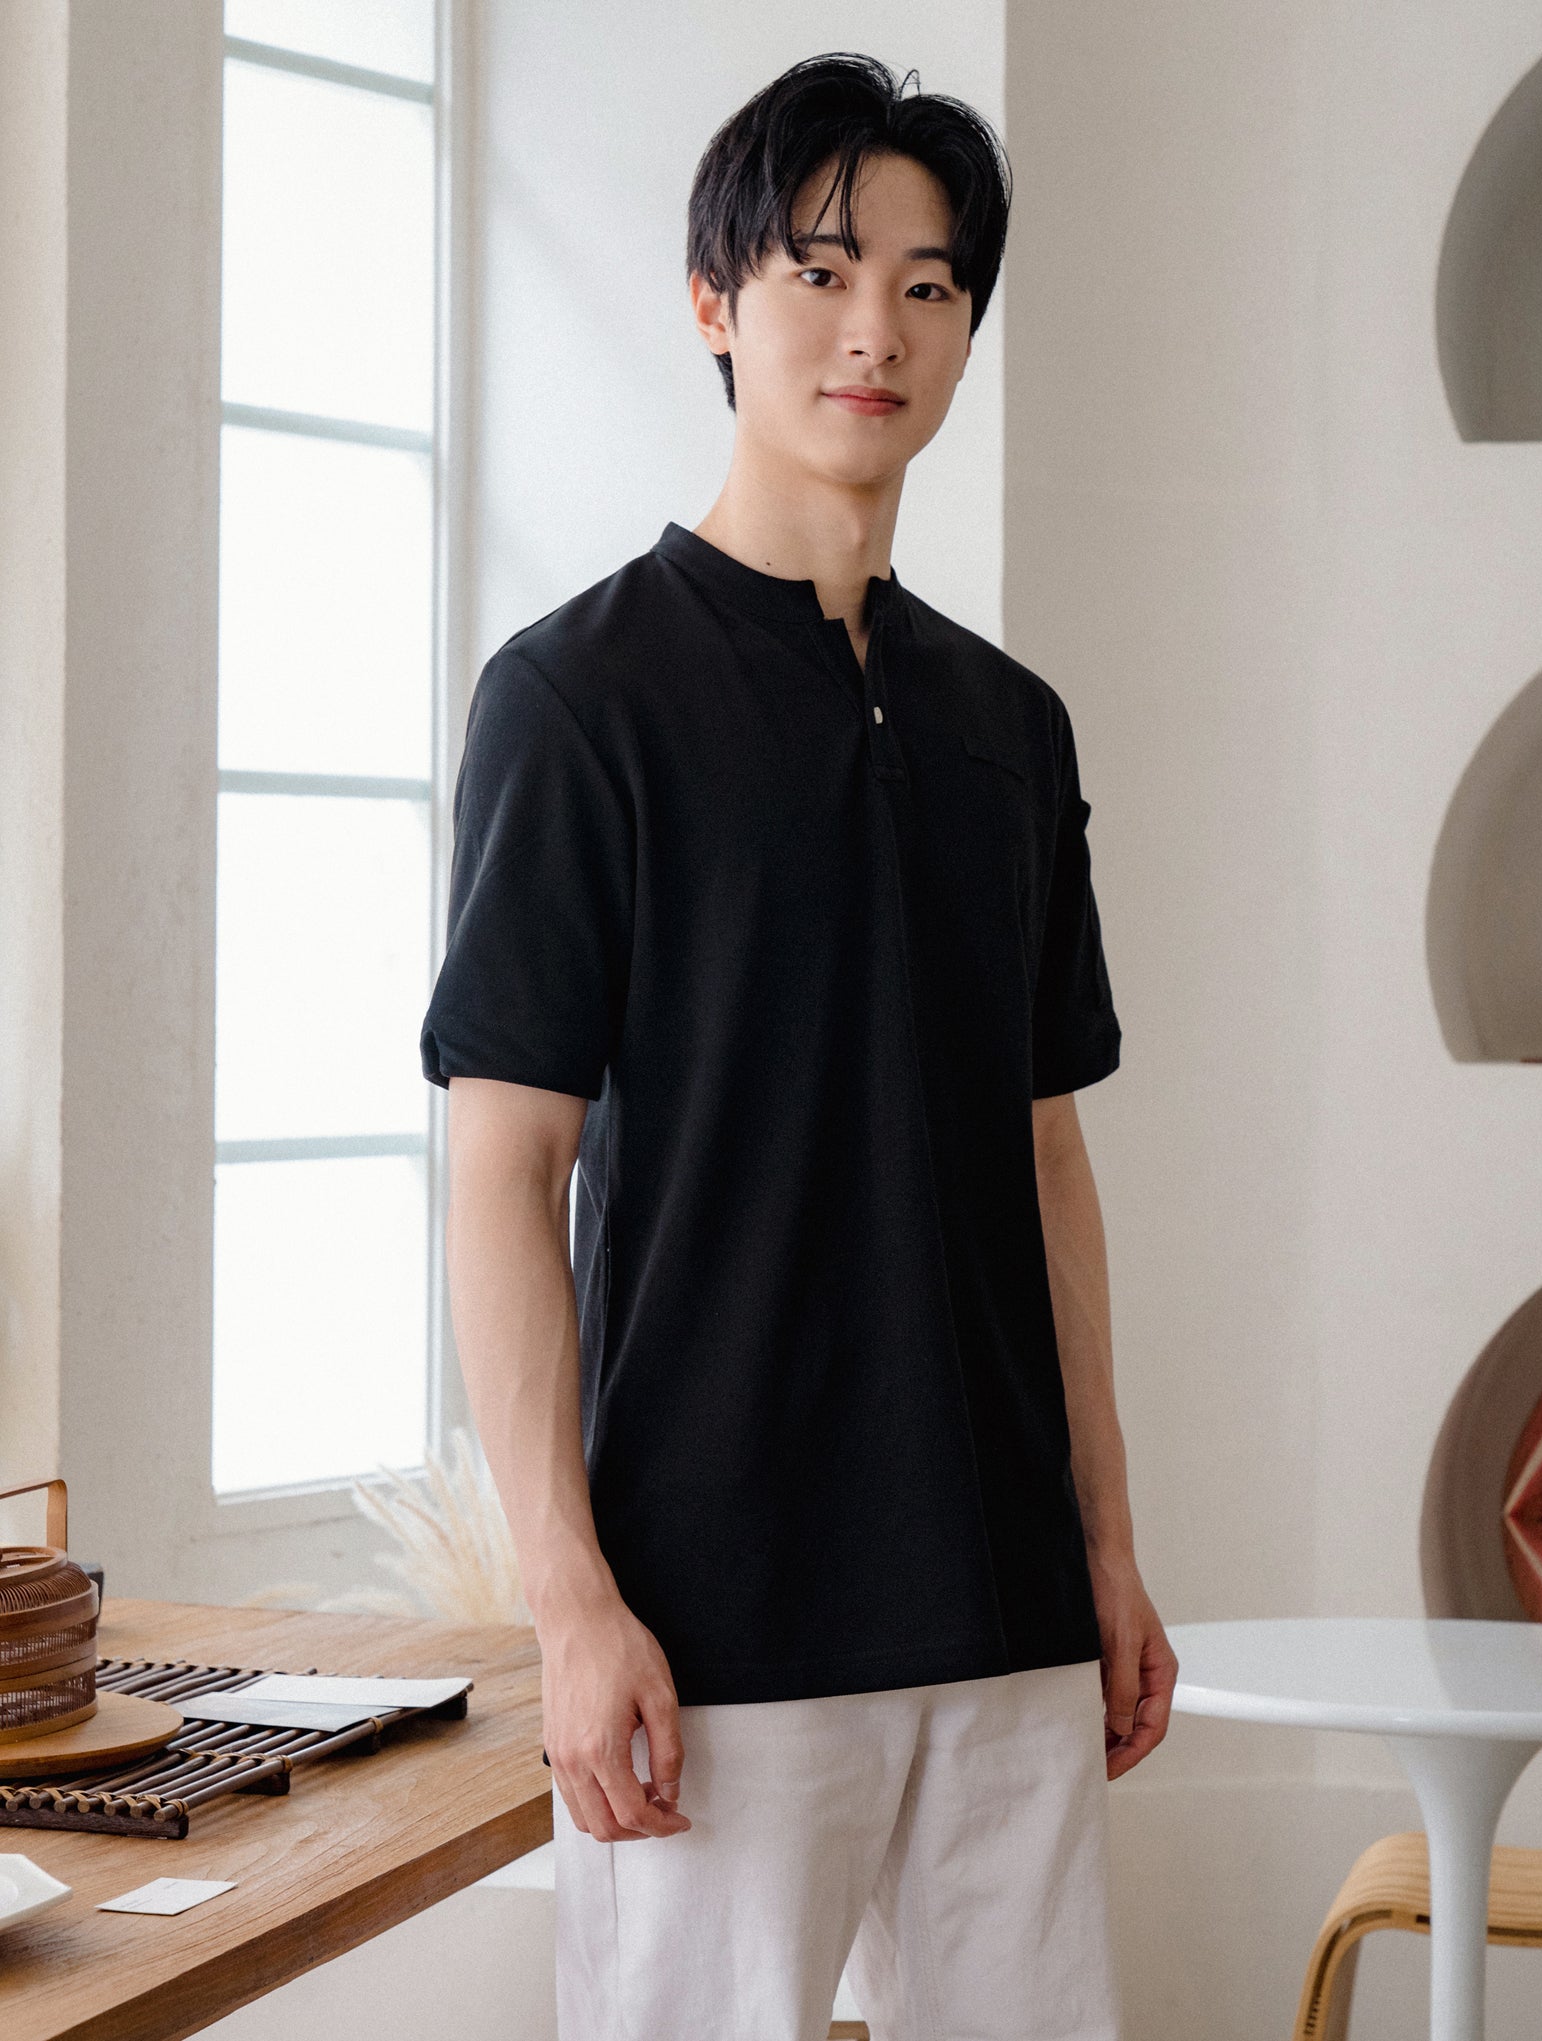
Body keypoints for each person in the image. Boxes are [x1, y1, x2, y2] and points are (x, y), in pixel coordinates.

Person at [420, 50, 1177, 2041]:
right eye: (821, 272)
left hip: (1004, 1608)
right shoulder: (575, 702)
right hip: (709, 1627)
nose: (874, 331)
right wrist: (569, 1600)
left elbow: (1046, 1165)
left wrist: (1104, 1546)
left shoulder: (1008, 727)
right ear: (714, 300)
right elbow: (503, 1170)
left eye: (927, 287)